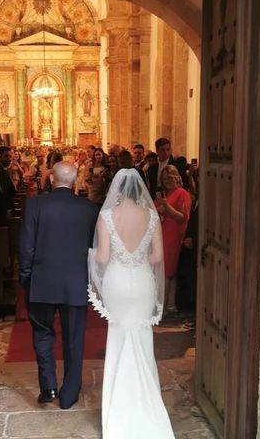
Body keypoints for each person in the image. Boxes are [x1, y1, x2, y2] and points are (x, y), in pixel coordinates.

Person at [87, 168, 175, 439]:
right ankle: (147, 404)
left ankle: (120, 410)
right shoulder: (152, 216)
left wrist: (89, 256)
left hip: (117, 284)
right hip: (142, 284)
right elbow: (157, 257)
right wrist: (137, 259)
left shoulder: (105, 216)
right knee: (142, 338)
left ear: (116, 189)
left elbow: (102, 258)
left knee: (119, 338)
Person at [19, 161, 99, 409]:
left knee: (42, 334)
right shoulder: (89, 209)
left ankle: (49, 387)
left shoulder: (35, 205)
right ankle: (69, 394)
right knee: (74, 338)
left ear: (51, 178)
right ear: (75, 181)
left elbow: (26, 245)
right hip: (75, 283)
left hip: (42, 281)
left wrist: (25, 276)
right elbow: (94, 249)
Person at [154, 165, 191, 314]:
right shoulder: (162, 195)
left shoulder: (182, 193)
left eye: (169, 177)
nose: (166, 180)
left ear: (176, 177)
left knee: (167, 270)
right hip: (160, 233)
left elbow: (183, 217)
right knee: (169, 271)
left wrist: (166, 207)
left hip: (173, 234)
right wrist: (159, 211)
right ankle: (170, 304)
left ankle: (160, 307)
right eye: (164, 178)